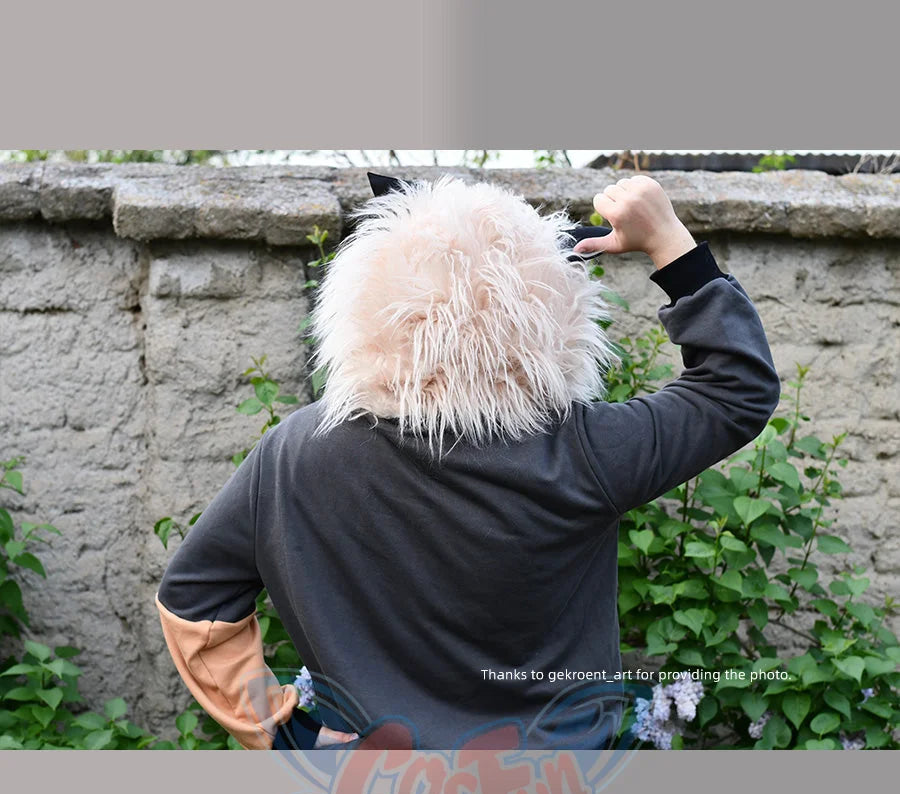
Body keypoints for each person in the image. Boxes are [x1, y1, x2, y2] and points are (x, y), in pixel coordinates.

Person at [154, 173, 781, 751]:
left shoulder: (298, 451)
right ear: (546, 308)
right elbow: (735, 392)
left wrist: (288, 734)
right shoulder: (583, 451)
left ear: (371, 292)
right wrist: (668, 239)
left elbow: (194, 599)